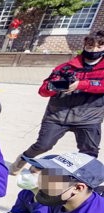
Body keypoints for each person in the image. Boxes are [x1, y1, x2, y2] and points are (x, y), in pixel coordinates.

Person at [10, 30, 104, 174]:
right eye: (90, 47)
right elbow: (43, 90)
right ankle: (24, 158)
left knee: (89, 152)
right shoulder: (65, 67)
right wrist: (60, 85)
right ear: (85, 46)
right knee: (43, 145)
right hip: (57, 116)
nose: (94, 50)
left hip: (89, 118)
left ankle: (82, 178)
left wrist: (81, 84)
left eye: (99, 47)